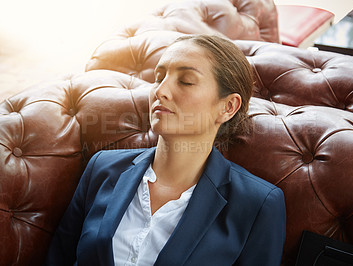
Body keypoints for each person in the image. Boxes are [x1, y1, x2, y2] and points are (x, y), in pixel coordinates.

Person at [45, 34, 286, 266]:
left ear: (228, 107)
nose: (160, 91)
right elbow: (60, 257)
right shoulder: (103, 168)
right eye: (159, 77)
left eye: (186, 81)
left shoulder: (258, 204)